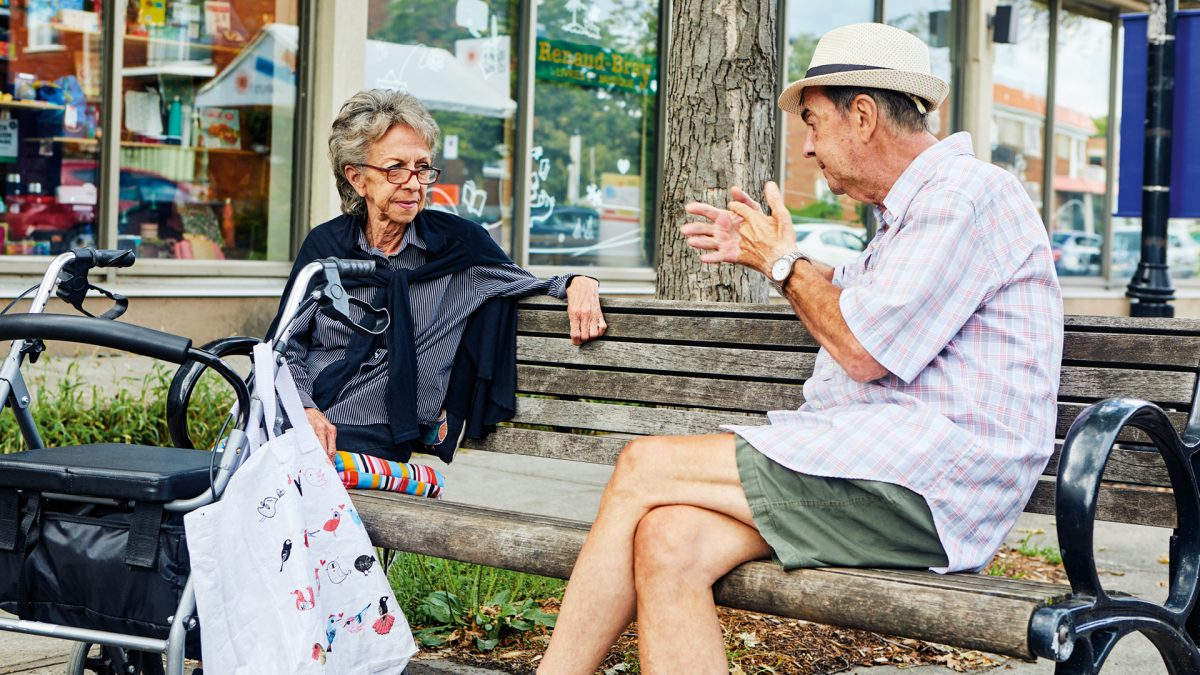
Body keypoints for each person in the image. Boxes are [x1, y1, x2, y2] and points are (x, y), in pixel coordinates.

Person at [537, 22, 1063, 674]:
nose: (807, 146)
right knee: (669, 539)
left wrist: (782, 263)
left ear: (862, 115)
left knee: (643, 465)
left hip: (929, 488)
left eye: (812, 122)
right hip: (884, 471)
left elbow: (862, 348)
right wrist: (777, 259)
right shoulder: (917, 211)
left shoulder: (964, 196)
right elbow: (863, 304)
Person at [277, 89, 606, 464]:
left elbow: (533, 282)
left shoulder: (458, 247)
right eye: (395, 169)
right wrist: (304, 410)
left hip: (376, 434)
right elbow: (285, 345)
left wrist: (581, 282)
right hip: (304, 419)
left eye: (422, 168)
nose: (413, 183)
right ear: (357, 178)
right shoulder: (327, 245)